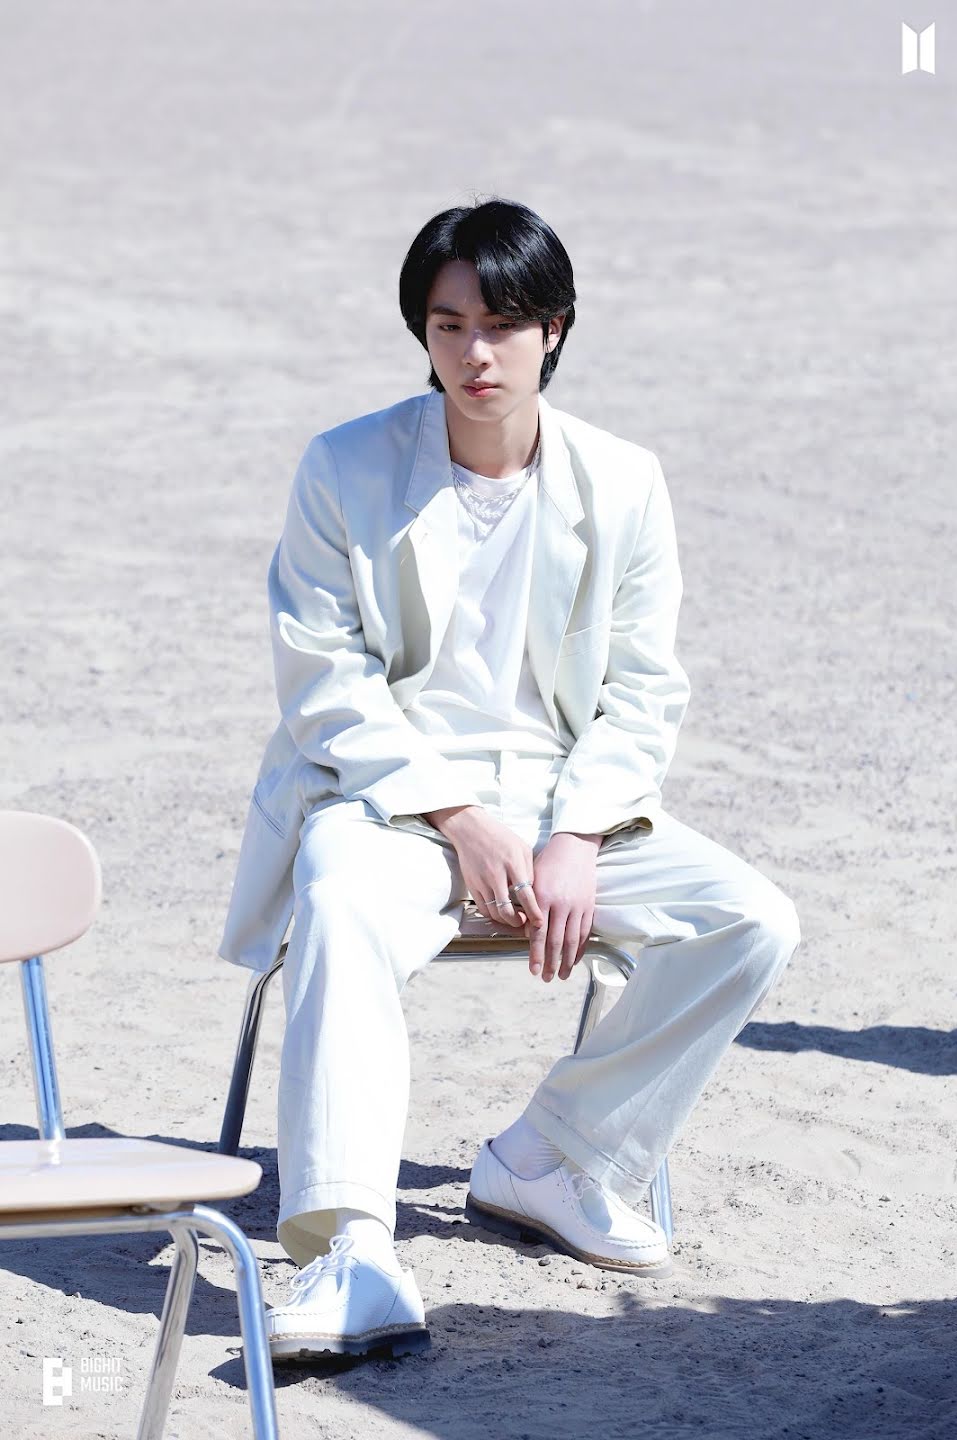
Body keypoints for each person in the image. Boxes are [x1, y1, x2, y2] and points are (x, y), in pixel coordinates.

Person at [218, 196, 801, 1363]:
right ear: (422, 334)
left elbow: (644, 688)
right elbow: (324, 680)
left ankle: (554, 1158)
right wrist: (456, 813)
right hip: (390, 799)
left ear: (555, 330)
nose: (475, 353)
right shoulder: (343, 466)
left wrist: (577, 833)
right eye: (448, 326)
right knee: (339, 895)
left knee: (750, 920)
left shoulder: (624, 481)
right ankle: (351, 1251)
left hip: (565, 801)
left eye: (503, 325)